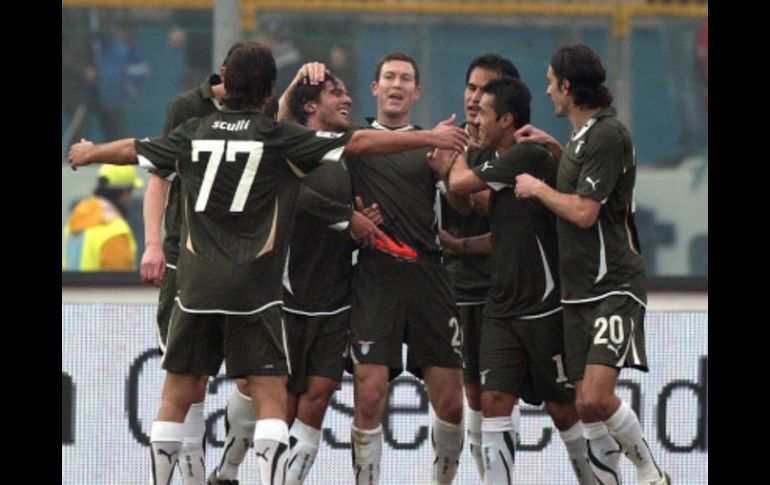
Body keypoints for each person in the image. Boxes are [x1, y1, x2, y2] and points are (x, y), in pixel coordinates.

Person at [68, 41, 469, 485]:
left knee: (177, 394)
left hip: (197, 285)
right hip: (255, 290)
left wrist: (90, 152)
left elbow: (137, 149)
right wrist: (430, 136)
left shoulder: (196, 129)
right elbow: (357, 144)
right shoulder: (275, 137)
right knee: (271, 396)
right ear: (268, 91)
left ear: (225, 82)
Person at [514, 44, 670, 485]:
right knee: (583, 404)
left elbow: (585, 211)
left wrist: (537, 189)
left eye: (550, 82)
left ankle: (651, 473)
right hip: (579, 290)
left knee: (598, 397)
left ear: (567, 86)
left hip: (612, 285)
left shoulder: (606, 134)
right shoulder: (582, 138)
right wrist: (552, 147)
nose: (547, 92)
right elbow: (583, 185)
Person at [429, 76, 593, 484]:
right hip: (500, 307)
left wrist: (456, 154)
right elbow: (476, 205)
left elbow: (462, 183)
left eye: (483, 112)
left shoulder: (528, 157)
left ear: (506, 118)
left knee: (563, 409)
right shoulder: (500, 165)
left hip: (542, 304)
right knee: (494, 400)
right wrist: (461, 240)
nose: (476, 119)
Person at [345, 52, 466, 485]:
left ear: (418, 92)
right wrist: (352, 221)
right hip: (376, 277)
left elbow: (461, 202)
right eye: (389, 77)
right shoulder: (355, 142)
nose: (397, 85)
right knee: (370, 397)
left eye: (406, 79)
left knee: (452, 404)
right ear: (375, 88)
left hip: (430, 278)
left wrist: (447, 176)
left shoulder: (434, 146)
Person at [280, 65, 385, 485]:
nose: (347, 100)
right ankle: (235, 470)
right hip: (289, 299)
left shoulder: (345, 155)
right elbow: (294, 196)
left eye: (346, 92)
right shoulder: (289, 145)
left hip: (336, 299)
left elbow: (344, 224)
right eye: (334, 93)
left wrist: (362, 227)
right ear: (309, 105)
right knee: (282, 406)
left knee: (318, 400)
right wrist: (348, 219)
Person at [139, 45, 232, 485]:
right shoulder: (187, 107)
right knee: (185, 383)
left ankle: (218, 473)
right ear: (225, 74)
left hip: (232, 266)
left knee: (220, 383)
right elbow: (159, 174)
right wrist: (153, 244)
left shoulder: (257, 112)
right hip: (183, 260)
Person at [437, 53, 520, 480]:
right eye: (471, 87)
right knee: (466, 396)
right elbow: (453, 200)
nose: (474, 98)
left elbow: (495, 211)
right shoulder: (446, 142)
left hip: (505, 292)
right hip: (456, 289)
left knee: (501, 397)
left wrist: (457, 173)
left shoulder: (514, 152)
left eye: (485, 91)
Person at [62, 164, 143, 271]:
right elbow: (120, 283)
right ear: (124, 193)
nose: (130, 199)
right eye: (131, 191)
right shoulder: (115, 232)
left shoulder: (72, 224)